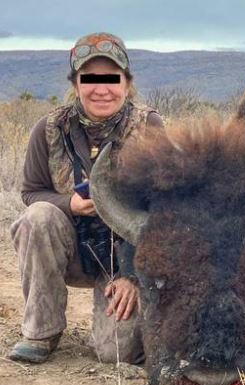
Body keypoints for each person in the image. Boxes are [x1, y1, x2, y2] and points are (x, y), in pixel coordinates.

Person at [7, 32, 164, 363]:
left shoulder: (149, 127)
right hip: (71, 249)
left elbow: (165, 210)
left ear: (126, 82)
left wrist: (134, 276)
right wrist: (70, 205)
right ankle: (41, 332)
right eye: (90, 79)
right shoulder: (48, 129)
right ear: (76, 83)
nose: (102, 89)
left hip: (123, 257)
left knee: (116, 354)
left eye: (112, 78)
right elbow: (31, 192)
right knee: (38, 217)